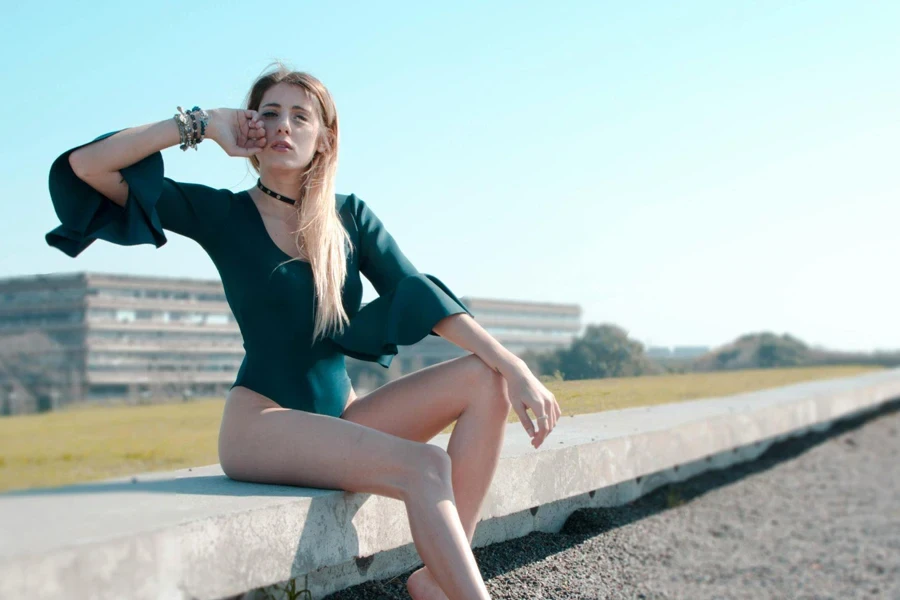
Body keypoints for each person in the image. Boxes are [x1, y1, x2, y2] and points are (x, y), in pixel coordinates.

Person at [45, 63, 561, 599]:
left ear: (324, 138)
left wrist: (514, 365)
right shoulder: (222, 213)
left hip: (342, 415)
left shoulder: (349, 219)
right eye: (270, 114)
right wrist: (201, 124)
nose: (284, 126)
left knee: (486, 378)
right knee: (425, 463)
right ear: (252, 129)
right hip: (260, 422)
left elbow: (421, 294)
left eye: (300, 116)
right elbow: (87, 168)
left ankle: (439, 579)